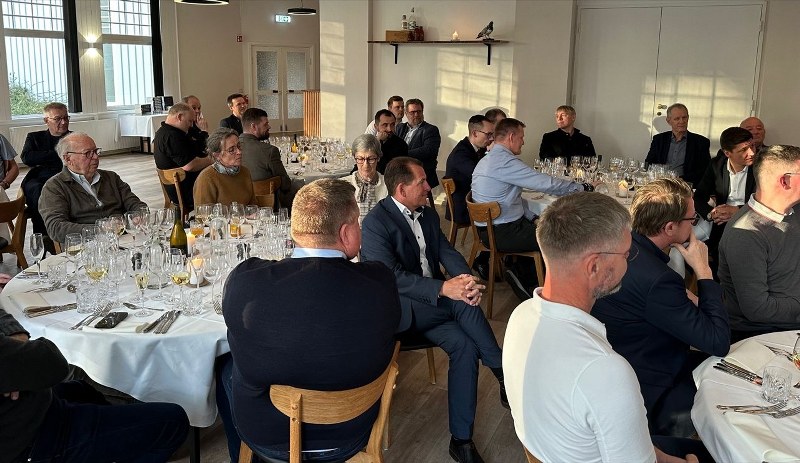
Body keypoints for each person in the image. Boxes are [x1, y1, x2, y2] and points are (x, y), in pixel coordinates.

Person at [503, 191, 706, 463]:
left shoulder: (521, 315)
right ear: (594, 266)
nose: (630, 261)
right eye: (626, 253)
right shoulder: (605, 371)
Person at [220, 178, 401, 462]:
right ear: (345, 233)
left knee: (227, 367)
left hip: (271, 435)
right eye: (357, 222)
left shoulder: (246, 281)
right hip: (352, 429)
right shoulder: (380, 281)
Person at [361, 157, 506, 463]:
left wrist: (465, 279)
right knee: (461, 303)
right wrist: (445, 289)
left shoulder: (427, 213)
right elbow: (390, 276)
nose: (430, 186)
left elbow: (445, 250)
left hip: (434, 308)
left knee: (465, 346)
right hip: (401, 313)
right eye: (422, 182)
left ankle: (461, 441)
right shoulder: (375, 222)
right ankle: (502, 372)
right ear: (402, 189)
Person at [592, 178, 729, 437]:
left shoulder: (621, 248)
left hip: (620, 361)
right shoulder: (657, 279)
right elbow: (718, 341)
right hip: (652, 385)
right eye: (692, 219)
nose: (694, 224)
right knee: (731, 374)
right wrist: (703, 270)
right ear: (669, 227)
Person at [1, 306, 190, 463]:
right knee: (173, 421)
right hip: (31, 441)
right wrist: (20, 356)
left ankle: (117, 438)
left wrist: (16, 348)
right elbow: (53, 363)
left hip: (34, 403)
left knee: (84, 389)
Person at [471, 118, 592, 301]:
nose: (523, 141)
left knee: (546, 226)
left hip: (491, 228)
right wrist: (583, 188)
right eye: (521, 137)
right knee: (558, 237)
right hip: (501, 232)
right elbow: (546, 184)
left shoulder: (489, 159)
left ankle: (524, 272)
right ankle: (537, 285)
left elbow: (511, 199)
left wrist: (532, 216)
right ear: (511, 137)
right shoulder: (504, 162)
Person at [719, 144, 800, 342]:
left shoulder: (793, 211)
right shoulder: (746, 234)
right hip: (765, 335)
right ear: (785, 181)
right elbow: (759, 309)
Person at [38, 133, 147, 243]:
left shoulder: (111, 177)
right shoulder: (54, 187)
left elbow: (135, 203)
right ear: (68, 159)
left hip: (124, 240)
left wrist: (138, 215)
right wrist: (100, 229)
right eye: (88, 153)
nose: (95, 157)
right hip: (88, 245)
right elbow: (56, 228)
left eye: (96, 151)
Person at [693, 127, 756, 276]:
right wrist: (711, 214)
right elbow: (699, 196)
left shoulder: (760, 167)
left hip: (751, 217)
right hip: (721, 221)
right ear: (727, 153)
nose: (752, 153)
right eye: (744, 150)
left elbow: (765, 202)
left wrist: (738, 210)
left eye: (752, 146)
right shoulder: (716, 165)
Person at [20, 102, 72, 238]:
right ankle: (42, 235)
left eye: (66, 118)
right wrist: (57, 153)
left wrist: (43, 157)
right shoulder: (34, 137)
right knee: (38, 190)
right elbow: (27, 158)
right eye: (58, 119)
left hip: (67, 176)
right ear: (46, 120)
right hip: (40, 178)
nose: (63, 122)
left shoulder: (75, 138)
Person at [153, 103, 213, 211]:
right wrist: (214, 160)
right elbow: (190, 165)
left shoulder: (165, 132)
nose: (191, 125)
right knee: (222, 185)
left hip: (181, 186)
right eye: (189, 121)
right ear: (180, 117)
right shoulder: (172, 136)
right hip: (184, 191)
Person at [445, 115, 494, 226]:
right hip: (463, 208)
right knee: (503, 211)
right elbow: (481, 176)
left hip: (472, 200)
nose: (491, 138)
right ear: (475, 133)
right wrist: (491, 153)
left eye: (492, 134)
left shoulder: (475, 149)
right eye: (488, 134)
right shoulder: (461, 153)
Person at [645, 103, 711, 186]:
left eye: (684, 117)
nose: (681, 121)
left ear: (688, 118)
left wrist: (680, 180)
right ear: (668, 121)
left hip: (685, 185)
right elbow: (648, 164)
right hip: (661, 184)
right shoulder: (659, 139)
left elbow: (704, 170)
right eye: (677, 119)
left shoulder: (701, 142)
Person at [239, 108, 293, 206]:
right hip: (266, 206)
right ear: (254, 126)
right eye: (265, 124)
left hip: (238, 205)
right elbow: (286, 184)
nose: (269, 126)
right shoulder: (270, 151)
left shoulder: (230, 149)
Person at [193, 128, 255, 206]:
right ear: (217, 155)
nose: (239, 152)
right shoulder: (206, 178)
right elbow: (202, 212)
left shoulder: (245, 172)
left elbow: (253, 206)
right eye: (231, 150)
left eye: (239, 146)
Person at [395, 99, 442, 191]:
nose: (416, 115)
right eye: (412, 112)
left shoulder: (430, 129)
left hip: (421, 175)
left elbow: (428, 151)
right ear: (406, 113)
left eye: (419, 111)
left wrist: (402, 154)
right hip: (400, 173)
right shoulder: (399, 128)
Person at [342, 134, 389, 225]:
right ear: (354, 158)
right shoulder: (343, 186)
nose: (365, 165)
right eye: (360, 159)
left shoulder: (388, 185)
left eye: (370, 159)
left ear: (378, 158)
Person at [372, 109, 408, 173]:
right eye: (385, 125)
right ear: (376, 127)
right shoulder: (370, 142)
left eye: (392, 125)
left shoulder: (401, 145)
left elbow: (385, 169)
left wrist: (379, 143)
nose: (389, 129)